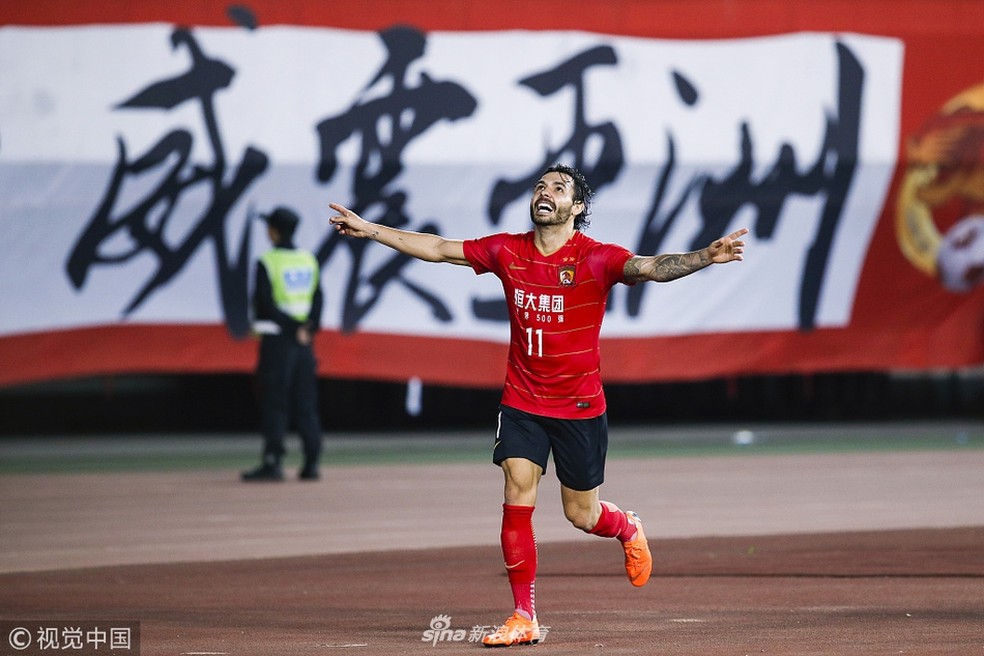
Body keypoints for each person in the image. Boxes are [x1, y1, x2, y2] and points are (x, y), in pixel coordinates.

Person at [328, 164, 747, 646]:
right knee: (516, 486)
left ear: (577, 207)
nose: (545, 193)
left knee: (581, 515)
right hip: (523, 400)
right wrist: (369, 229)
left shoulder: (595, 258)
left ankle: (626, 526)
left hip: (579, 407)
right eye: (540, 186)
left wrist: (703, 256)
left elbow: (650, 267)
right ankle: (523, 614)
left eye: (559, 188)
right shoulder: (508, 250)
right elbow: (439, 249)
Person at [241, 206, 325, 482]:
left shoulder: (267, 261)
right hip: (304, 343)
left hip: (279, 341)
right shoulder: (307, 259)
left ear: (274, 231)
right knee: (306, 402)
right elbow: (317, 299)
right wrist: (308, 327)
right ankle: (312, 461)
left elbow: (265, 303)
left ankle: (272, 460)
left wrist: (292, 328)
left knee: (275, 400)